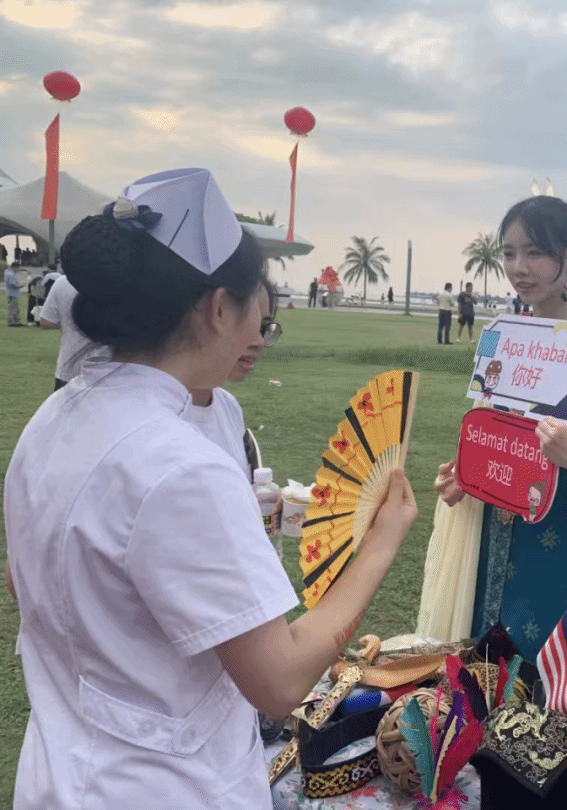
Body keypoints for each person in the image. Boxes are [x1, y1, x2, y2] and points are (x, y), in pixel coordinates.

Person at [3, 169, 417, 809]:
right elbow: (280, 682)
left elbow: (24, 579)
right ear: (219, 307)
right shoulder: (179, 467)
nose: (261, 329)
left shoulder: (53, 419)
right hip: (164, 787)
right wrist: (382, 542)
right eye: (258, 307)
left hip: (62, 771)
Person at [422, 196, 567, 659]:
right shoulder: (502, 336)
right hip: (490, 539)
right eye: (509, 253)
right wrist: (465, 475)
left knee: (549, 676)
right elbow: (492, 435)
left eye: (535, 253)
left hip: (559, 544)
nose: (518, 268)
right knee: (480, 667)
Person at [184, 277, 281, 481]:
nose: (259, 342)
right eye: (249, 325)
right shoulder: (160, 416)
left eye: (264, 328)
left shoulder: (228, 406)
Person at [39, 272, 104, 390]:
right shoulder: (118, 281)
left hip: (68, 369)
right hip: (108, 371)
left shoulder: (62, 282)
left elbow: (46, 321)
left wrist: (68, 324)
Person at [6, 258, 23, 327]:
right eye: (18, 268)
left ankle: (17, 321)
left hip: (14, 294)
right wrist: (19, 286)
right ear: (15, 267)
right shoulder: (10, 274)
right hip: (12, 294)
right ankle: (11, 321)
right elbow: (11, 283)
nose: (19, 270)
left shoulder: (12, 274)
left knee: (16, 308)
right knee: (12, 308)